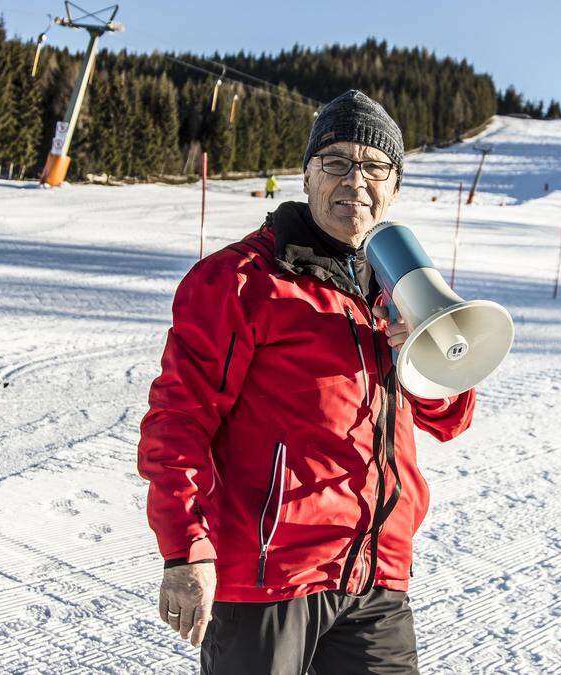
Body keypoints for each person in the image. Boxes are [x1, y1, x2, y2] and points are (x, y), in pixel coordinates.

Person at [138, 90, 476, 674]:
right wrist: (185, 548)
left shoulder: (398, 286)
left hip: (377, 575)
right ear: (306, 174)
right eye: (337, 162)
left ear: (394, 186)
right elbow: (178, 421)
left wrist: (425, 358)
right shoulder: (241, 280)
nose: (356, 181)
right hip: (270, 577)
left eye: (374, 167)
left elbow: (449, 418)